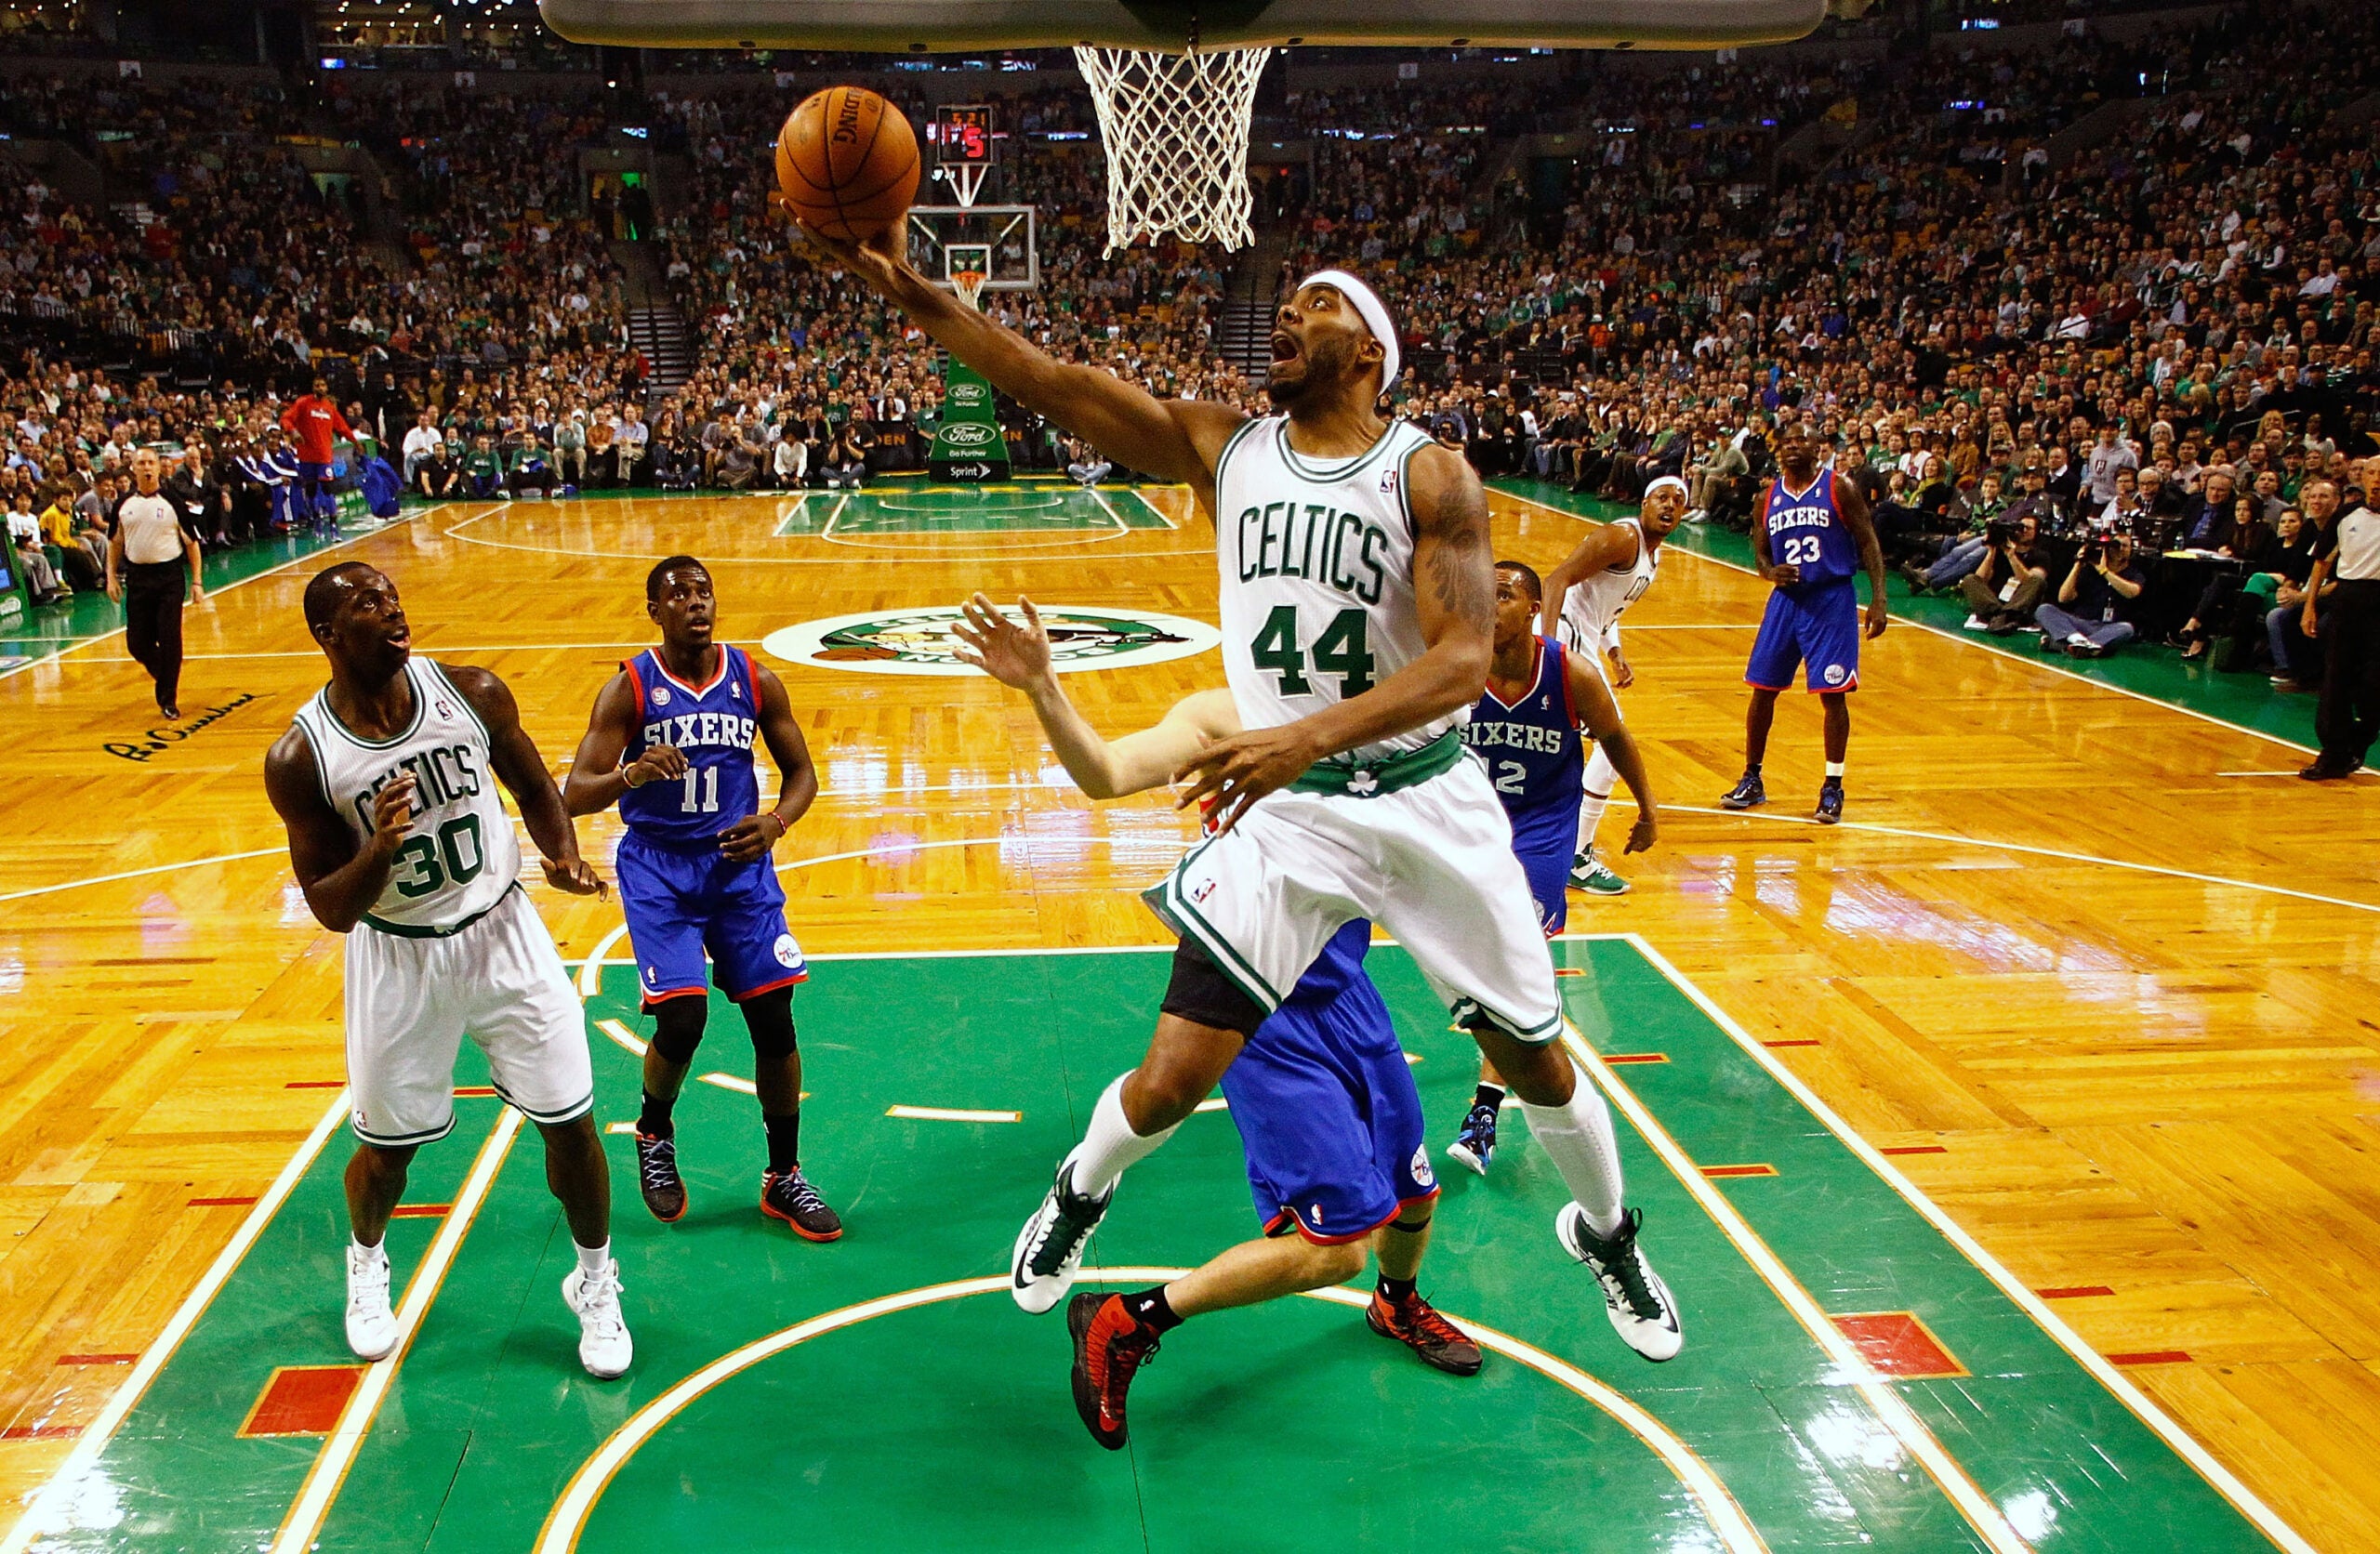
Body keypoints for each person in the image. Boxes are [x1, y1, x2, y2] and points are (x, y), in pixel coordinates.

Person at [798, 218, 1680, 1363]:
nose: (1290, 313)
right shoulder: (1227, 447)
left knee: (1534, 1059)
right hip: (1296, 815)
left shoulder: (1428, 473)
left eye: (1319, 304)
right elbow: (1050, 382)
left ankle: (1606, 1233)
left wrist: (1297, 739)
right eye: (1291, 301)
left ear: (1369, 352)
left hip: (1422, 799)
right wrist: (910, 291)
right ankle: (1077, 1192)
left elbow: (1463, 660)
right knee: (1170, 1080)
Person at [950, 592, 1483, 1450]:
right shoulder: (1217, 716)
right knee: (1337, 1245)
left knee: (1414, 1189)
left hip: (1347, 987)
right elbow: (1107, 776)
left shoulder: (1387, 720)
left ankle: (1399, 1305)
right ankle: (1125, 1318)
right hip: (1256, 998)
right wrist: (1044, 687)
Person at [260, 563, 628, 1378]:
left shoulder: (473, 692)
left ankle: (596, 1281)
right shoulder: (300, 757)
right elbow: (327, 905)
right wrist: (381, 852)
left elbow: (537, 788)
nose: (392, 608)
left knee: (571, 1122)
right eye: (367, 603)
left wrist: (561, 854)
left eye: (392, 595)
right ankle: (365, 1264)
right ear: (328, 634)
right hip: (398, 955)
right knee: (387, 1156)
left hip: (504, 933)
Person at [562, 557, 840, 1238]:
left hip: (738, 869)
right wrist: (630, 772)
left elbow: (803, 772)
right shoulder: (628, 689)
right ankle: (654, 1133)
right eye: (677, 594)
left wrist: (776, 823)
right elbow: (572, 793)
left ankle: (784, 1176)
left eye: (702, 591)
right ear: (654, 611)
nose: (694, 603)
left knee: (774, 1019)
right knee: (682, 1021)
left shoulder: (753, 679)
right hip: (660, 872)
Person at [1448, 560, 1659, 1175]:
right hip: (1469, 829)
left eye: (1505, 595)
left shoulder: (1570, 674)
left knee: (1518, 967)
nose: (1490, 604)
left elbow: (1617, 739)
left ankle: (1484, 1111)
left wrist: (1646, 810)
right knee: (1479, 966)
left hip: (1540, 835)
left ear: (1536, 609)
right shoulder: (1457, 668)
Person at [1719, 426, 1888, 824]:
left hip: (1832, 599)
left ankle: (1832, 787)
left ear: (1818, 449)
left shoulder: (1839, 488)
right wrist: (1770, 572)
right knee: (1762, 690)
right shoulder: (1766, 497)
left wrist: (1879, 598)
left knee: (1833, 694)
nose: (1792, 445)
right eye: (1787, 440)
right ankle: (1752, 778)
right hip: (1785, 602)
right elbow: (1760, 555)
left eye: (1801, 440)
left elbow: (1868, 542)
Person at [1539, 477, 1682, 894]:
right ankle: (1577, 855)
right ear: (1644, 503)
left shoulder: (1652, 556)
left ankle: (1558, 844)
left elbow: (1603, 607)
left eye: (1678, 500)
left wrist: (1615, 651)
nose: (1669, 505)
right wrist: (1548, 646)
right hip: (1564, 634)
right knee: (1612, 739)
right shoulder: (1622, 537)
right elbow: (1557, 580)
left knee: (1561, 739)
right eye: (1661, 498)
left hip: (1582, 636)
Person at [105, 447, 203, 719]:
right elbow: (114, 543)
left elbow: (192, 545)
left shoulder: (173, 502)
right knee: (137, 642)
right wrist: (111, 576)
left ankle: (168, 699)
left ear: (159, 468)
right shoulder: (123, 505)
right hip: (138, 577)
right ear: (133, 468)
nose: (146, 468)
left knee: (170, 638)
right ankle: (166, 674)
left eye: (151, 463)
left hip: (169, 578)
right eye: (141, 463)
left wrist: (197, 582)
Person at [2300, 466, 2380, 779]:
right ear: (2363, 479)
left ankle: (2362, 737)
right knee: (2335, 678)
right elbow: (2321, 561)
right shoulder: (2346, 514)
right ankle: (2332, 754)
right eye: (2373, 475)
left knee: (2374, 683)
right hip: (2348, 598)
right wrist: (2310, 606)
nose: (2377, 482)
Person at [2035, 531, 2148, 658]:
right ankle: (2081, 643)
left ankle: (2067, 643)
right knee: (2044, 609)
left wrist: (2104, 571)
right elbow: (2063, 598)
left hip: (2106, 628)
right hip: (2080, 622)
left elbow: (2131, 592)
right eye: (2116, 545)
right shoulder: (2089, 570)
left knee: (2127, 629)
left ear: (2131, 550)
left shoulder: (2134, 574)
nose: (2120, 549)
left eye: (2125, 546)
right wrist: (2078, 564)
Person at [281, 375, 353, 537]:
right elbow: (286, 419)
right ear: (313, 388)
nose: (320, 388)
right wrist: (293, 431)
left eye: (322, 385)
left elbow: (343, 428)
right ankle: (317, 521)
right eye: (316, 385)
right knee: (311, 491)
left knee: (328, 489)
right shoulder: (303, 403)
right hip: (307, 457)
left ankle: (334, 525)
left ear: (326, 388)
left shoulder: (329, 408)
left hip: (324, 456)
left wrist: (356, 442)